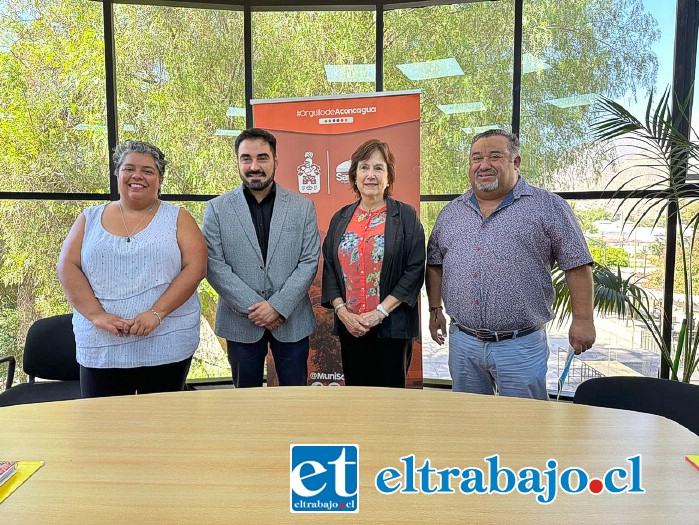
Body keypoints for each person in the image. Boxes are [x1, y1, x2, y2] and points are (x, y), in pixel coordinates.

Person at [425, 129, 595, 400]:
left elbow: (577, 265)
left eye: (495, 156)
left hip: (520, 345)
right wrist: (435, 310)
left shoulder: (547, 206)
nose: (483, 165)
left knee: (524, 428)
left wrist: (583, 320)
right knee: (469, 423)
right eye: (476, 158)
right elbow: (435, 264)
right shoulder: (451, 213)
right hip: (463, 343)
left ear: (516, 162)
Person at [58, 140, 207, 398]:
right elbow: (67, 266)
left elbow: (196, 267)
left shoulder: (178, 217)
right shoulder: (89, 218)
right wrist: (96, 315)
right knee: (105, 427)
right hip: (102, 345)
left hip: (166, 342)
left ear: (160, 179)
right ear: (118, 174)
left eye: (148, 171)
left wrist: (155, 314)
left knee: (163, 424)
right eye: (129, 168)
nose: (137, 176)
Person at [203, 128, 320, 388]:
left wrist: (277, 307)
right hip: (240, 321)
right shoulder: (217, 209)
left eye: (262, 158)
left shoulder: (302, 208)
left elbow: (309, 261)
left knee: (295, 399)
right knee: (245, 403)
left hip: (291, 319)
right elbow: (214, 265)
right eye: (246, 158)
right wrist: (256, 309)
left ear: (275, 161)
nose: (254, 166)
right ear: (238, 162)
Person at [322, 139, 425, 388]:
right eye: (364, 167)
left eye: (379, 168)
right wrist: (343, 313)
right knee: (357, 401)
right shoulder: (341, 218)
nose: (371, 175)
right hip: (351, 327)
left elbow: (415, 269)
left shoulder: (406, 216)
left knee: (391, 403)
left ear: (389, 178)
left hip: (392, 328)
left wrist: (379, 313)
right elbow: (330, 269)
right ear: (354, 176)